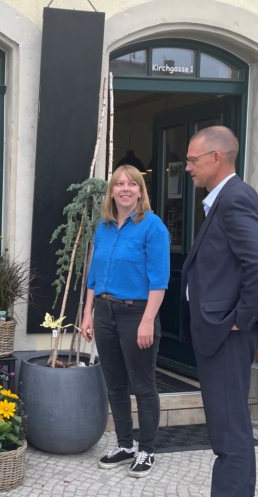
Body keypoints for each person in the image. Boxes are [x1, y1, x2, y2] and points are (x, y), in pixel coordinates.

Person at [175, 126, 258, 497]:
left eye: (193, 160)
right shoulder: (225, 200)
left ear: (217, 158)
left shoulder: (234, 199)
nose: (187, 168)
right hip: (223, 330)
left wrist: (241, 318)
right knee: (232, 421)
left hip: (228, 334)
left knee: (228, 425)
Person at [80, 164, 170, 478]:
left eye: (132, 184)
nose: (125, 189)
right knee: (115, 385)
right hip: (104, 313)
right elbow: (93, 274)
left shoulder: (153, 227)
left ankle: (146, 449)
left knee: (143, 386)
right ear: (112, 191)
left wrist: (148, 321)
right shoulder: (103, 227)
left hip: (137, 314)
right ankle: (125, 445)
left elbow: (159, 281)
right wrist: (87, 312)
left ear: (140, 192)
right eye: (119, 184)